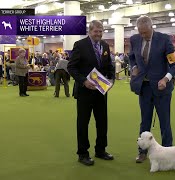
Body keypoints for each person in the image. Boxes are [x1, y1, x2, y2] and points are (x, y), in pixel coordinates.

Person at [129, 16, 175, 163]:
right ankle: (142, 152)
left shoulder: (164, 39)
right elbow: (131, 57)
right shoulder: (134, 39)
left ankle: (168, 153)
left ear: (152, 27)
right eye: (140, 32)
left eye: (145, 32)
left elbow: (174, 64)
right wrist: (134, 67)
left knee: (165, 122)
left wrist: (166, 79)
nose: (143, 35)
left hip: (161, 88)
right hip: (144, 88)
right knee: (144, 122)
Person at [67, 20, 115, 166]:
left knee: (102, 122)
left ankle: (101, 150)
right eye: (96, 31)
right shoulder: (80, 45)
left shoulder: (105, 46)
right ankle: (83, 153)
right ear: (90, 31)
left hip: (101, 90)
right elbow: (72, 67)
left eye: (101, 31)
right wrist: (84, 81)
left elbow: (109, 67)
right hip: (84, 91)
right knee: (83, 123)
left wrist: (111, 79)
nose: (99, 34)